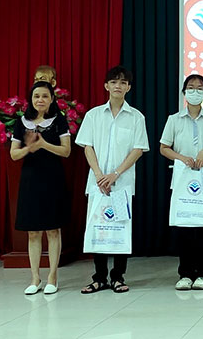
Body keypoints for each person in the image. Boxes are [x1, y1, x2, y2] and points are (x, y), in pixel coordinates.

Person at [76, 66, 149, 294]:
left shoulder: (136, 117)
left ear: (129, 88)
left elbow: (138, 149)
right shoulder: (94, 115)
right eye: (114, 82)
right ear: (106, 85)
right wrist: (99, 175)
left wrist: (115, 174)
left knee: (120, 230)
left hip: (121, 184)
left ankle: (118, 277)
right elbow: (87, 146)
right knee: (99, 229)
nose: (118, 86)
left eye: (123, 82)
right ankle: (99, 278)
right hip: (98, 184)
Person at [159, 74, 203, 290]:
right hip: (183, 178)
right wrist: (181, 157)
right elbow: (164, 148)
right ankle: (185, 273)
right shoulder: (174, 119)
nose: (195, 91)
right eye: (191, 88)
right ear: (184, 93)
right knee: (184, 227)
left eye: (199, 88)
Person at [10, 81, 71, 295]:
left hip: (52, 179)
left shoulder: (59, 120)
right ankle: (35, 278)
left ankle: (52, 276)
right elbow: (14, 154)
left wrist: (44, 144)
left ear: (52, 99)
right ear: (31, 99)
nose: (40, 100)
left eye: (45, 96)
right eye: (36, 96)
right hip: (30, 181)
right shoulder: (21, 122)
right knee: (33, 232)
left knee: (53, 230)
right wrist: (29, 148)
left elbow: (66, 151)